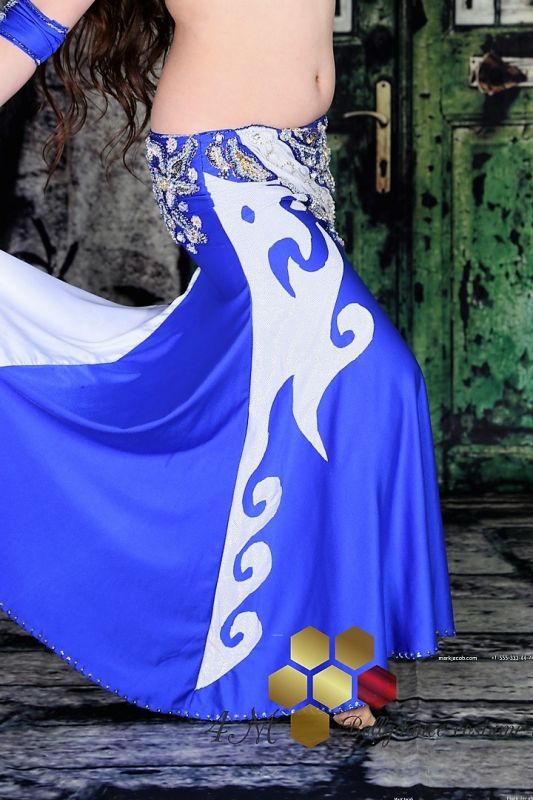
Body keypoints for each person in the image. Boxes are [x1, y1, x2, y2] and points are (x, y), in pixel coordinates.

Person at [0, 0, 456, 731]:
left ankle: (323, 663)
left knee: (299, 397)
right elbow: (30, 26)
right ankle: (317, 670)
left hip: (298, 166)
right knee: (373, 372)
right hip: (222, 168)